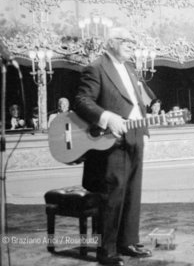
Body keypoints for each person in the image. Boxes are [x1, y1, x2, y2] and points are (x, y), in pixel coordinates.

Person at [74, 27, 154, 265]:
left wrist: (145, 133)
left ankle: (127, 242)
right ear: (110, 43)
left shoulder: (131, 69)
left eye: (133, 40)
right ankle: (106, 251)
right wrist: (107, 118)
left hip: (135, 136)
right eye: (125, 40)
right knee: (112, 196)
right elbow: (81, 101)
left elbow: (139, 105)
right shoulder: (96, 67)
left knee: (132, 193)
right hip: (109, 142)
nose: (131, 44)